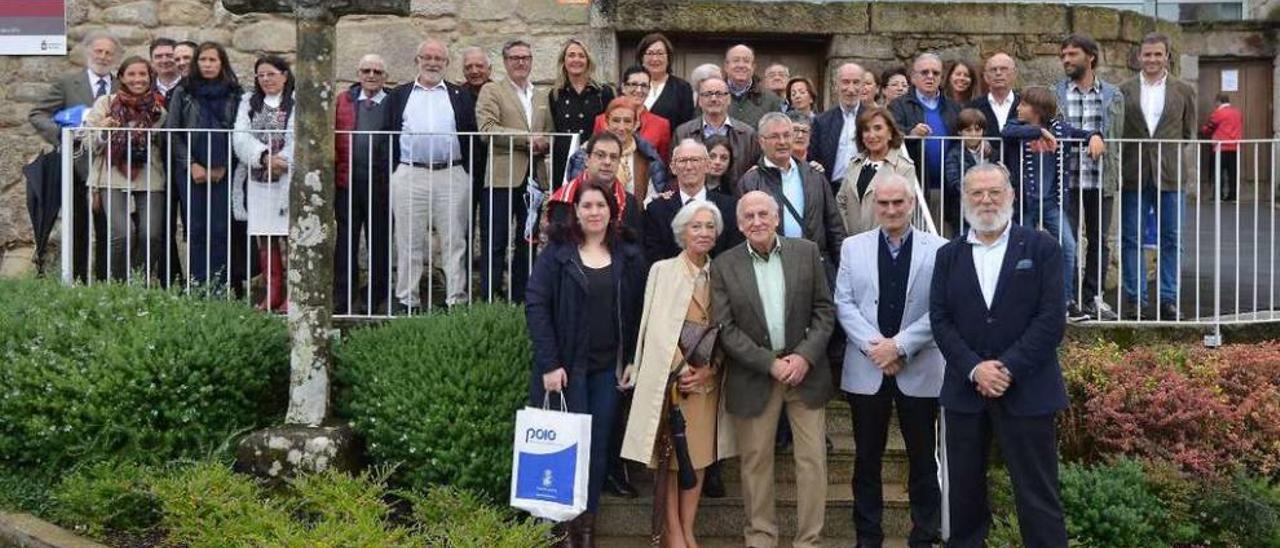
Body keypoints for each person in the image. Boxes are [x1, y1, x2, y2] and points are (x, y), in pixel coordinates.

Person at [930, 163, 1069, 548]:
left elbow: (1051, 320)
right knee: (964, 497)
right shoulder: (949, 256)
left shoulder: (1042, 248)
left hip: (1028, 390)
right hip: (965, 393)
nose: (986, 200)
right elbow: (940, 321)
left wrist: (1006, 368)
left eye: (994, 191)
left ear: (1010, 196)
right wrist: (975, 368)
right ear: (964, 200)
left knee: (1038, 496)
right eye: (977, 193)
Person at [526, 178, 647, 548]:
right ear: (576, 212)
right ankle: (562, 530)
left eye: (600, 206)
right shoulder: (557, 254)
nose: (594, 212)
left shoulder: (628, 256)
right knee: (565, 450)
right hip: (565, 371)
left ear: (613, 212)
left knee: (596, 450)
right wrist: (549, 363)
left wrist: (632, 360)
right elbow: (535, 305)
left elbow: (640, 311)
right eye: (587, 206)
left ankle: (587, 528)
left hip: (608, 370)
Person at [711, 190, 835, 548]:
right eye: (748, 216)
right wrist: (769, 364)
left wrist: (804, 357)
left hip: (805, 373)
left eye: (763, 214)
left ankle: (809, 541)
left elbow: (825, 311)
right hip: (754, 376)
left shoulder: (807, 252)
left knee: (812, 462)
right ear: (738, 224)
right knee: (755, 463)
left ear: (777, 217)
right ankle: (761, 538)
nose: (757, 222)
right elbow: (725, 329)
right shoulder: (724, 265)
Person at [835, 174, 945, 548]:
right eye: (883, 203)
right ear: (874, 205)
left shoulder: (939, 248)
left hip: (920, 369)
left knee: (922, 460)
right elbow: (844, 304)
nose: (891, 209)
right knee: (866, 459)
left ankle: (924, 534)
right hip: (867, 370)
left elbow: (940, 310)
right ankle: (868, 536)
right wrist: (876, 349)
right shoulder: (853, 247)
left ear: (912, 203)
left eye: (899, 202)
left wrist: (898, 346)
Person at [621, 196, 735, 547]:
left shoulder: (722, 274)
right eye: (696, 226)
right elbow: (653, 327)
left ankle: (688, 527)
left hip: (705, 384)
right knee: (667, 460)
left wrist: (709, 372)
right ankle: (673, 533)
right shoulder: (662, 270)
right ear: (682, 233)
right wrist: (681, 368)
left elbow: (729, 330)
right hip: (670, 383)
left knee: (697, 459)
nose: (703, 232)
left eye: (709, 226)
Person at [385, 38, 477, 312]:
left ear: (446, 64)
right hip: (410, 172)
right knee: (408, 240)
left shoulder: (460, 95)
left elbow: (472, 134)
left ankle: (455, 300)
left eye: (439, 58)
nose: (433, 62)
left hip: (451, 172)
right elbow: (386, 135)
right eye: (427, 57)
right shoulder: (399, 95)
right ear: (417, 60)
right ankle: (406, 300)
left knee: (454, 240)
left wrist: (467, 173)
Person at [1002, 86, 1102, 322]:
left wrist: (1095, 136)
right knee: (1020, 251)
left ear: (1037, 109)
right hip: (1025, 204)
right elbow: (1006, 132)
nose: (1018, 107)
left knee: (1068, 246)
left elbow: (1081, 133)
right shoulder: (1017, 127)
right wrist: (1037, 132)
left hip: (1051, 203)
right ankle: (1022, 302)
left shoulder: (1059, 128)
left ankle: (1066, 301)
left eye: (1024, 104)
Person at [29, 31, 121, 283]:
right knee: (77, 227)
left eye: (108, 53)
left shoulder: (121, 86)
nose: (102, 57)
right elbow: (38, 114)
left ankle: (106, 282)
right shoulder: (68, 83)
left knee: (109, 228)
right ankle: (78, 281)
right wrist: (63, 135)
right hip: (75, 165)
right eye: (98, 51)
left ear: (115, 57)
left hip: (110, 168)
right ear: (87, 52)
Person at [1119, 33, 1196, 321]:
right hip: (1134, 172)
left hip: (1171, 174)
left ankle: (1168, 299)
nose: (1152, 59)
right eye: (1147, 54)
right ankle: (1135, 300)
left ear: (1167, 56)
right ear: (1139, 57)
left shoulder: (1184, 90)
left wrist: (1167, 157)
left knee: (1172, 238)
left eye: (1157, 54)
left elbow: (1187, 133)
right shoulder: (1123, 90)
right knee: (1131, 238)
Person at [164, 41, 246, 292]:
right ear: (196, 63)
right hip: (191, 171)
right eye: (203, 60)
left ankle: (222, 288)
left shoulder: (235, 93)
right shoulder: (183, 92)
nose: (208, 65)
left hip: (225, 172)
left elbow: (240, 133)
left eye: (213, 60)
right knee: (197, 228)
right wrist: (191, 165)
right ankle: (199, 287)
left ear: (222, 63)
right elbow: (173, 132)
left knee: (221, 229)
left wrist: (224, 166)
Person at [476, 39, 553, 302]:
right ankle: (490, 299)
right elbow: (486, 129)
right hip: (501, 177)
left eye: (526, 57)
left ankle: (521, 297)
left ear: (531, 61)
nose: (521, 62)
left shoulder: (542, 95)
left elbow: (550, 133)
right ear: (505, 61)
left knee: (528, 241)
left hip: (534, 178)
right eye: (515, 57)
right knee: (495, 241)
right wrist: (527, 139)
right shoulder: (492, 90)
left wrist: (546, 143)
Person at [1056, 33, 1125, 321]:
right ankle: (1069, 299)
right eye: (1064, 56)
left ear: (1090, 57)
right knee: (1067, 240)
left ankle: (1093, 297)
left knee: (1099, 240)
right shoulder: (1056, 91)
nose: (1066, 60)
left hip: (1100, 178)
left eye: (1072, 54)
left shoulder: (1112, 94)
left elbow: (1117, 138)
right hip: (1067, 180)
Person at [82, 56, 168, 283]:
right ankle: (118, 285)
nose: (138, 79)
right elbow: (89, 142)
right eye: (131, 74)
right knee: (122, 234)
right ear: (121, 77)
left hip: (149, 174)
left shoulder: (159, 110)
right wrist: (103, 130)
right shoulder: (105, 103)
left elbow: (162, 144)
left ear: (150, 77)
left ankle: (140, 282)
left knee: (151, 235)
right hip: (111, 173)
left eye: (143, 74)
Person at [738, 112, 846, 282]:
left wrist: (842, 270)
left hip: (815, 268)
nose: (782, 142)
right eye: (774, 136)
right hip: (771, 271)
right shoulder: (750, 181)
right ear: (761, 141)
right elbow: (743, 236)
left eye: (787, 135)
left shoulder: (814, 176)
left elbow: (834, 227)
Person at [233, 55, 295, 312]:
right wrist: (263, 157)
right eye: (261, 75)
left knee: (291, 237)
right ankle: (272, 291)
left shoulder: (296, 102)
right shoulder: (249, 102)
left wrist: (284, 160)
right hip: (259, 181)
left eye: (271, 74)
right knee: (265, 237)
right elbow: (241, 135)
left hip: (288, 180)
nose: (266, 79)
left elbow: (302, 134)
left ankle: (294, 295)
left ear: (284, 75)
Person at [333, 54, 394, 315]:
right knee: (345, 242)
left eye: (377, 72)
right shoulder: (343, 101)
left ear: (385, 77)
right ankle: (344, 296)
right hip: (348, 182)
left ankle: (377, 295)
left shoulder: (394, 103)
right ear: (358, 74)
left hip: (382, 184)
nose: (371, 75)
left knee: (379, 241)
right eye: (366, 70)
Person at [890, 53, 961, 235]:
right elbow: (891, 134)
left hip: (948, 190)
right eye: (924, 72)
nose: (930, 77)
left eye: (935, 73)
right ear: (913, 77)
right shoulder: (898, 106)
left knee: (945, 241)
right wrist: (911, 134)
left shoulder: (954, 107)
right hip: (915, 187)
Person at [644, 139, 741, 263]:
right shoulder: (656, 210)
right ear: (673, 168)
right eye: (682, 161)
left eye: (695, 160)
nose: (689, 167)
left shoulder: (729, 207)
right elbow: (654, 257)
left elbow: (732, 254)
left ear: (707, 165)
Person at [567, 97, 668, 204]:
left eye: (627, 121)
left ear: (636, 124)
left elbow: (652, 198)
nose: (621, 127)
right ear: (606, 123)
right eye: (616, 120)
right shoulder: (586, 155)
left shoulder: (647, 157)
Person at [836, 107, 918, 237]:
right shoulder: (854, 164)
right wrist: (851, 237)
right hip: (853, 243)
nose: (871, 135)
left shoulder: (903, 168)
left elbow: (906, 209)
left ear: (890, 133)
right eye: (866, 130)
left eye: (878, 128)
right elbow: (841, 202)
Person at [673, 76, 762, 194]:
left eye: (719, 94)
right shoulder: (683, 133)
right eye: (708, 94)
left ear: (729, 99)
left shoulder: (747, 134)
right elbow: (673, 173)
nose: (714, 99)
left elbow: (757, 172)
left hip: (738, 200)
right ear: (699, 100)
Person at [547, 132, 644, 237]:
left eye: (613, 157)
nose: (607, 162)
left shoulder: (629, 202)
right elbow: (558, 247)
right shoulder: (566, 199)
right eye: (600, 155)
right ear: (587, 160)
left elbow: (636, 247)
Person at [550, 38, 614, 186]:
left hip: (593, 159)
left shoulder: (603, 92)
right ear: (564, 61)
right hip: (563, 160)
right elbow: (553, 128)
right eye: (571, 55)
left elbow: (610, 128)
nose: (576, 60)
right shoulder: (555, 94)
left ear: (588, 60)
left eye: (581, 55)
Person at [593, 65, 672, 164]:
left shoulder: (661, 125)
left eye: (644, 86)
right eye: (634, 84)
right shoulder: (601, 120)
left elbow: (662, 164)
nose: (639, 90)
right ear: (623, 87)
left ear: (649, 89)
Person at [812, 63, 866, 193]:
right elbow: (813, 156)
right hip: (831, 190)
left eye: (856, 82)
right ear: (836, 86)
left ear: (863, 86)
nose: (851, 89)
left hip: (864, 189)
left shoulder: (873, 118)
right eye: (845, 82)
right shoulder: (822, 121)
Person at [943, 108, 993, 230]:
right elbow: (954, 182)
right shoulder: (954, 154)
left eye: (977, 130)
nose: (973, 134)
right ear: (960, 132)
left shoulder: (992, 152)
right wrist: (978, 191)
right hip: (963, 213)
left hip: (989, 211)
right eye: (968, 130)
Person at [969, 52, 1021, 168]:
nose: (998, 73)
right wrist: (977, 142)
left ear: (1014, 74)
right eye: (993, 70)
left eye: (1004, 69)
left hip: (1021, 175)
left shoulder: (1026, 105)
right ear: (986, 77)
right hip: (986, 175)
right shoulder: (973, 107)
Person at [638, 33, 696, 131]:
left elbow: (686, 126)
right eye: (650, 53)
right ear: (642, 58)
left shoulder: (682, 88)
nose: (655, 59)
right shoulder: (631, 85)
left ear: (668, 58)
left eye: (660, 53)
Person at [724, 44, 784, 129]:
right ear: (726, 66)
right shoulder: (711, 96)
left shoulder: (771, 100)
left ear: (753, 67)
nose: (741, 65)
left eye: (746, 61)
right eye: (736, 60)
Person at [1201, 92, 1243, 202]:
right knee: (1233, 173)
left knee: (1218, 173)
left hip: (1220, 147)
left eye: (1216, 102)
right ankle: (1233, 196)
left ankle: (1218, 196)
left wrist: (1203, 131)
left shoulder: (1218, 113)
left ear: (1219, 101)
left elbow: (1209, 127)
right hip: (1234, 147)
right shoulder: (1237, 113)